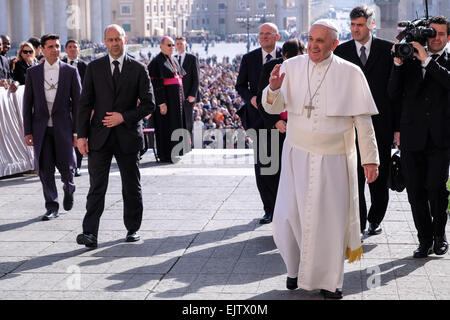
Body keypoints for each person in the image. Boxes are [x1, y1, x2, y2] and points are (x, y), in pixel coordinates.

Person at [261, 19, 379, 299]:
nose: (313, 45)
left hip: (334, 160)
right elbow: (273, 106)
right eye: (310, 39)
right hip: (296, 155)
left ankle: (329, 282)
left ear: (334, 44)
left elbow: (362, 120)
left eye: (320, 41)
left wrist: (370, 159)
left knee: (329, 222)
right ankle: (294, 269)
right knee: (288, 218)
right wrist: (274, 89)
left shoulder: (350, 73)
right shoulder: (290, 67)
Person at [76, 24, 155, 248]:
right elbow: (85, 103)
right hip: (99, 136)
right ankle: (90, 232)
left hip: (128, 135)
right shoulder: (94, 67)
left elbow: (150, 104)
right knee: (96, 186)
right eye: (109, 40)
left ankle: (133, 228)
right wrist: (81, 136)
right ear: (105, 42)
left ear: (124, 39)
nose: (114, 43)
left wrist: (124, 117)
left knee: (131, 185)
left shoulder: (139, 69)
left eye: (117, 39)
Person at [388, 16, 449, 258]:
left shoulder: (444, 60)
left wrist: (427, 63)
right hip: (412, 136)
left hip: (440, 137)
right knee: (415, 192)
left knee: (436, 189)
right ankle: (424, 239)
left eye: (441, 34)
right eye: (431, 32)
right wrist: (398, 63)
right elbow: (392, 93)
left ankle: (439, 235)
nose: (436, 37)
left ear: (448, 37)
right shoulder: (409, 58)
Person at [334, 5, 395, 236]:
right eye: (352, 25)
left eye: (360, 25)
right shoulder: (341, 52)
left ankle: (375, 218)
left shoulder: (388, 50)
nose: (355, 29)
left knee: (379, 177)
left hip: (381, 124)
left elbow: (395, 92)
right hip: (350, 126)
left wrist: (397, 128)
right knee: (354, 177)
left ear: (371, 24)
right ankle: (358, 223)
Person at [22, 34, 81, 221]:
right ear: (42, 49)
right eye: (51, 46)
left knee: (67, 166)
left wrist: (77, 131)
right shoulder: (33, 73)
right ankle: (51, 205)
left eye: (57, 46)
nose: (55, 49)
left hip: (63, 126)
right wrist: (27, 131)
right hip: (41, 128)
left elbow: (79, 104)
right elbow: (27, 104)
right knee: (45, 169)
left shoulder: (70, 72)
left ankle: (69, 187)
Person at [236, 22, 282, 224]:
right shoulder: (249, 58)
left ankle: (284, 206)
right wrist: (251, 98)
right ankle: (269, 208)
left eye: (268, 34)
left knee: (281, 164)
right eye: (261, 34)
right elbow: (240, 85)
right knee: (264, 166)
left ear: (277, 37)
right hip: (258, 118)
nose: (263, 37)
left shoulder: (287, 57)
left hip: (281, 120)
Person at [148, 36, 187, 163]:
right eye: (169, 45)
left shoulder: (174, 59)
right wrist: (161, 103)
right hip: (166, 101)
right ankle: (165, 154)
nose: (172, 47)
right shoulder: (156, 61)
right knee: (166, 127)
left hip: (176, 101)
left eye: (173, 45)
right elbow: (156, 85)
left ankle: (176, 151)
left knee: (176, 125)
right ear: (161, 46)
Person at [62, 39, 88, 177]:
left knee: (79, 134)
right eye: (70, 47)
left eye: (75, 47)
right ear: (66, 50)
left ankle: (77, 165)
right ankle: (67, 165)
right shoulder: (60, 65)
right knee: (64, 136)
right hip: (63, 107)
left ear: (79, 50)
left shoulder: (85, 66)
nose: (72, 49)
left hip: (80, 107)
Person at [175, 36, 200, 144]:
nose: (179, 45)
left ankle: (189, 144)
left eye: (181, 43)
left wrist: (192, 94)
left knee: (188, 120)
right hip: (177, 96)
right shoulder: (173, 58)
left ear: (186, 44)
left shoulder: (192, 58)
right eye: (177, 43)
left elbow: (196, 78)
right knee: (178, 120)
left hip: (189, 95)